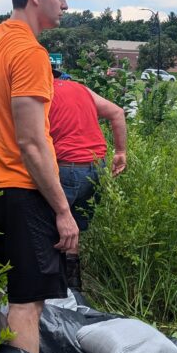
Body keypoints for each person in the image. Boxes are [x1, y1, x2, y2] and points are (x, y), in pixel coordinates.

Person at [0, 0, 78, 353]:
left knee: (5, 292)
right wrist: (63, 211)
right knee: (26, 305)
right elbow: (32, 142)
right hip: (20, 190)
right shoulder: (29, 52)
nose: (65, 5)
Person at [49, 72, 128, 290]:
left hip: (67, 167)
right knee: (73, 226)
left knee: (50, 226)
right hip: (97, 167)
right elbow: (117, 112)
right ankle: (74, 288)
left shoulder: (41, 92)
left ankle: (51, 292)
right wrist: (120, 151)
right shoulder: (79, 89)